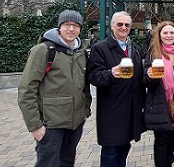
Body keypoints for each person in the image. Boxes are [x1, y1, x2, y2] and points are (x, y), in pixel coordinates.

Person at [18, 9, 92, 167]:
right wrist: (35, 126)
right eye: (67, 25)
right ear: (59, 27)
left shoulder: (82, 52)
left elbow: (84, 85)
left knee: (66, 162)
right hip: (50, 124)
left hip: (74, 123)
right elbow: (27, 89)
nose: (71, 29)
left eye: (76, 25)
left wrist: (85, 110)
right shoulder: (44, 50)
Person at [86, 11, 146, 167]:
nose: (124, 27)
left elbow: (139, 77)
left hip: (131, 108)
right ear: (112, 26)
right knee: (110, 152)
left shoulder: (134, 47)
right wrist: (110, 73)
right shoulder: (101, 48)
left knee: (125, 147)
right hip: (111, 110)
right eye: (120, 24)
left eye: (127, 25)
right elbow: (93, 76)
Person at [143, 21, 174, 167]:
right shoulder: (153, 52)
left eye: (172, 32)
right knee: (161, 139)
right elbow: (145, 80)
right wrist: (150, 76)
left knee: (172, 137)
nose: (169, 35)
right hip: (160, 102)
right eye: (165, 33)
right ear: (159, 35)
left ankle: (169, 163)